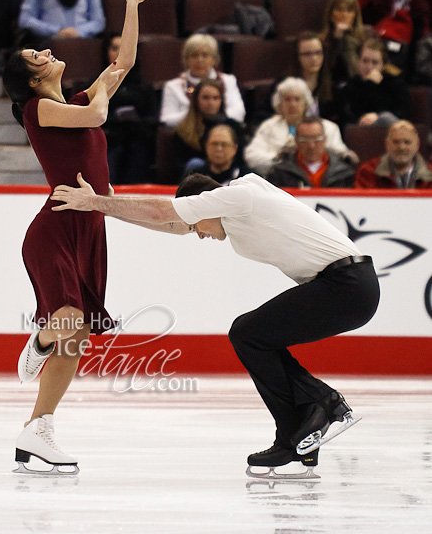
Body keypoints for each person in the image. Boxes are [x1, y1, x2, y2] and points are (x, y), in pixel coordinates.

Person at [50, 172, 379, 480]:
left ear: (206, 202)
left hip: (346, 285)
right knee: (256, 336)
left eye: (197, 224)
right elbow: (175, 224)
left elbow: (164, 209)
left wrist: (94, 202)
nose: (200, 235)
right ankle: (300, 435)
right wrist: (112, 210)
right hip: (345, 287)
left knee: (247, 334)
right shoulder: (236, 215)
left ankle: (322, 406)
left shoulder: (239, 198)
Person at [2, 0, 159, 475]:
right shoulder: (39, 111)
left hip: (90, 228)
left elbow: (125, 63)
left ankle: (38, 429)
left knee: (77, 339)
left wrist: (130, 9)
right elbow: (94, 114)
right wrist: (98, 96)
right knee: (70, 325)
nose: (47, 52)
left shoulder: (76, 97)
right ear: (30, 78)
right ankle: (44, 340)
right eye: (37, 54)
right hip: (54, 231)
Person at [244, 77, 355, 177]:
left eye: (297, 99)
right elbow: (251, 156)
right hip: (279, 180)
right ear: (279, 103)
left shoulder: (328, 127)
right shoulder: (268, 126)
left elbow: (340, 156)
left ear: (306, 102)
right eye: (287, 99)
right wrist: (279, 158)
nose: (292, 104)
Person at [101, 34, 158, 184]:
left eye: (124, 49)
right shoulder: (96, 83)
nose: (119, 53)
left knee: (138, 149)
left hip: (137, 138)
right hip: (108, 139)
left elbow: (153, 118)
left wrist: (135, 120)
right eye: (115, 48)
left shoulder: (144, 87)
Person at [160, 33, 246, 128]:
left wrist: (215, 119)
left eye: (205, 55)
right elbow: (167, 119)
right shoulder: (173, 86)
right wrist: (196, 114)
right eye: (194, 55)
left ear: (214, 59)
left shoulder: (228, 81)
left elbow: (239, 112)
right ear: (186, 59)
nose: (200, 60)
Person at [338, 36, 411, 127]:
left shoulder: (395, 84)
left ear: (382, 64)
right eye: (365, 61)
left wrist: (378, 116)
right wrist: (369, 85)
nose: (369, 67)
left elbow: (403, 113)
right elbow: (348, 115)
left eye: (375, 62)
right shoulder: (351, 85)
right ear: (358, 61)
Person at [267, 117, 355, 188]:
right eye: (304, 140)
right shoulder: (280, 172)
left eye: (317, 139)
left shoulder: (344, 172)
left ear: (325, 139)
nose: (311, 146)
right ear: (296, 142)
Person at [355, 119, 432, 188]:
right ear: (387, 144)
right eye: (396, 142)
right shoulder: (367, 172)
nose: (401, 147)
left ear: (417, 145)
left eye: (407, 142)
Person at [320, 0, 368, 95]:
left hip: (359, 90)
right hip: (330, 90)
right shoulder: (321, 41)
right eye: (339, 10)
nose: (344, 15)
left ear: (355, 16)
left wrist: (346, 41)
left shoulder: (365, 39)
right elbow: (326, 72)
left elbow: (354, 73)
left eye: (349, 11)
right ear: (330, 13)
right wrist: (337, 38)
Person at [183, 121, 252, 184]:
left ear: (234, 148)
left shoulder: (246, 178)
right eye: (214, 144)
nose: (219, 149)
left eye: (224, 144)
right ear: (206, 146)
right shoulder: (193, 177)